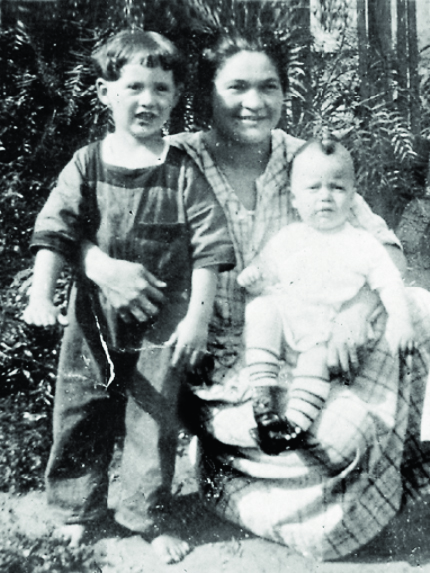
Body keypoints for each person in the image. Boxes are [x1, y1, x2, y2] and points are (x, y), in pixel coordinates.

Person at [79, 31, 430, 560]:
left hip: (316, 343)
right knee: (345, 437)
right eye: (237, 86)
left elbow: (385, 248)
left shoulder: (305, 160)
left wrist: (358, 311)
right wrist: (100, 266)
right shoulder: (170, 161)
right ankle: (231, 483)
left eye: (269, 86)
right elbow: (72, 223)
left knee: (419, 310)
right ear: (207, 93)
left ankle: (386, 475)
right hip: (223, 365)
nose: (254, 102)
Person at [22, 29, 235, 564]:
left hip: (163, 326)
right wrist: (41, 297)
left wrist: (197, 321)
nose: (147, 100)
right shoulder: (87, 164)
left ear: (176, 97)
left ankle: (147, 519)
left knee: (153, 421)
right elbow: (56, 232)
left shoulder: (182, 172)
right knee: (80, 410)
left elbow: (211, 251)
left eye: (161, 88)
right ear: (104, 92)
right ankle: (76, 510)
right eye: (133, 86)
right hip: (91, 320)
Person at [237, 136, 415, 456]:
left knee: (315, 360)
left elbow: (389, 280)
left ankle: (293, 425)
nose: (325, 197)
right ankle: (262, 401)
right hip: (287, 327)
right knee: (262, 310)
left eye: (337, 188)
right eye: (313, 188)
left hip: (327, 334)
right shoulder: (289, 237)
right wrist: (254, 277)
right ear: (293, 199)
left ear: (352, 196)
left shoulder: (361, 243)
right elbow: (265, 273)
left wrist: (401, 320)